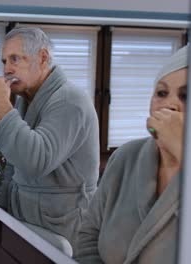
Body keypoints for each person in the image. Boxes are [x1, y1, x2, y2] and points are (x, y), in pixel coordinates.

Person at [0, 27, 99, 249]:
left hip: (64, 225)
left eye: (15, 59)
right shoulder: (25, 99)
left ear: (42, 57)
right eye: (4, 61)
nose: (7, 69)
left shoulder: (69, 101)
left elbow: (35, 160)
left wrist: (1, 105)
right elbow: (14, 165)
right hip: (27, 218)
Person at [75, 45, 188, 263]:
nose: (169, 105)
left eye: (185, 95)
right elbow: (88, 235)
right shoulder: (126, 156)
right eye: (161, 93)